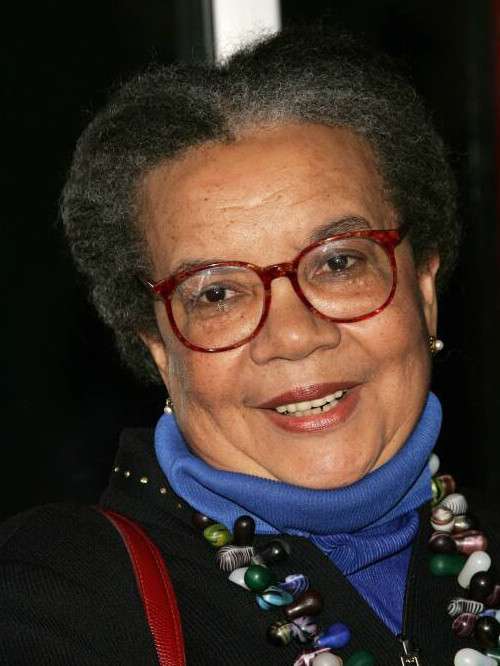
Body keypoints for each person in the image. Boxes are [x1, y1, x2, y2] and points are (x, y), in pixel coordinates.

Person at [1, 27, 499, 666]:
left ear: (424, 291)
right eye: (216, 294)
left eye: (339, 262)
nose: (294, 336)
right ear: (157, 348)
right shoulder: (54, 596)